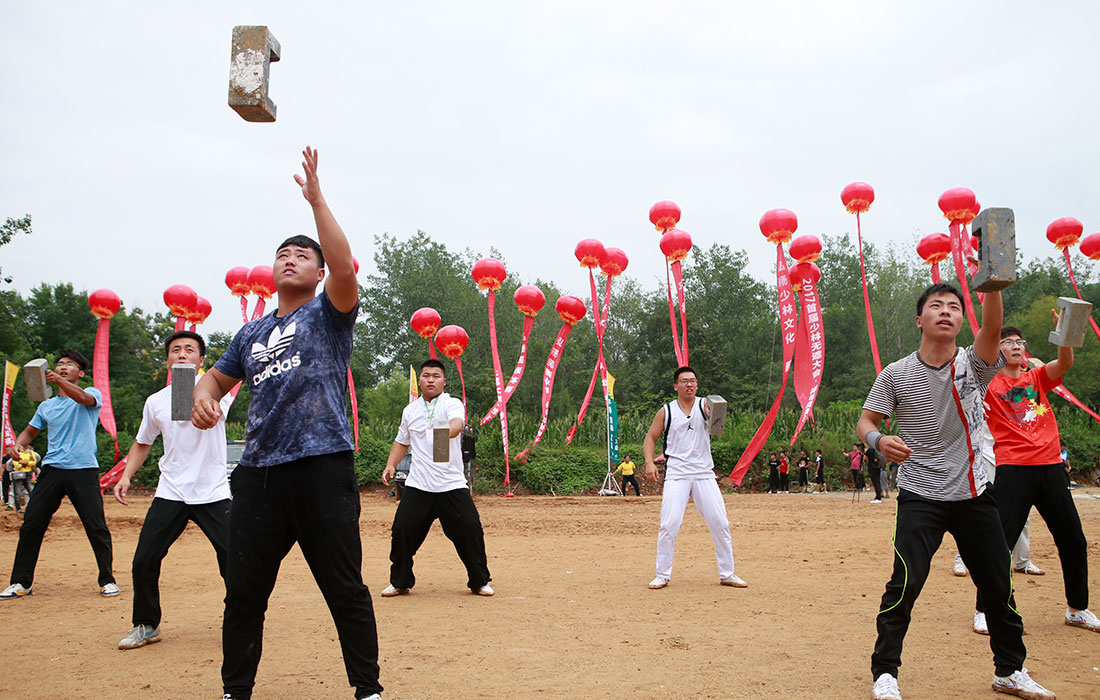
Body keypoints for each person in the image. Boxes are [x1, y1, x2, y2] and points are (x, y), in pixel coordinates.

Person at [190, 147, 382, 700]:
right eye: (283, 254)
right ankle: (235, 690)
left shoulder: (328, 313)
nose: (290, 259)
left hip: (322, 469)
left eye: (302, 254)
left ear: (319, 273)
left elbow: (344, 267)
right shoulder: (249, 334)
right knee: (243, 594)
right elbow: (213, 380)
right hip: (258, 477)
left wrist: (317, 200)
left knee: (345, 589)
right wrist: (201, 397)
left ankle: (368, 689)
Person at [857, 283, 1055, 700]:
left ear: (963, 320)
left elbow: (994, 327)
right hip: (920, 494)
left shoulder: (973, 365)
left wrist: (992, 283)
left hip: (973, 493)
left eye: (954, 307)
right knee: (905, 583)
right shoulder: (895, 373)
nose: (946, 311)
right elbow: (867, 421)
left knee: (998, 585)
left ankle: (1010, 671)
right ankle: (885, 673)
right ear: (920, 320)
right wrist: (879, 440)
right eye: (936, 306)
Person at [971, 326, 1098, 634]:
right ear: (996, 349)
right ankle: (985, 609)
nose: (1016, 346)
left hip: (1051, 468)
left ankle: (1077, 609)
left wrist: (1066, 331)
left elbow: (1064, 363)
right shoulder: (988, 383)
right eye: (1008, 342)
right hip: (1014, 468)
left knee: (1073, 539)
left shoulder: (1036, 378)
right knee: (1000, 543)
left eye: (1019, 342)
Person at [112, 331, 233, 651]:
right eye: (175, 350)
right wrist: (126, 477)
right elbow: (142, 443)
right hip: (171, 490)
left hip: (212, 491)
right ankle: (146, 625)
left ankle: (240, 621)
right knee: (144, 559)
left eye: (189, 350)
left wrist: (200, 397)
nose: (181, 354)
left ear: (201, 360)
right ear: (167, 359)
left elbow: (220, 401)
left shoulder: (218, 393)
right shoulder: (155, 402)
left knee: (234, 559)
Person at [1, 350, 118, 600]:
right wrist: (17, 445)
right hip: (52, 469)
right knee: (32, 524)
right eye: (60, 364)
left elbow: (83, 398)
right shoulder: (47, 406)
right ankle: (21, 582)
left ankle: (107, 580)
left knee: (96, 526)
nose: (63, 367)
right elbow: (30, 432)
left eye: (70, 365)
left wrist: (59, 382)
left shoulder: (92, 393)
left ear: (81, 373)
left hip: (83, 469)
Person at [380, 359, 492, 598]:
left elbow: (457, 423)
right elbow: (402, 441)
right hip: (419, 485)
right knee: (402, 530)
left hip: (450, 484)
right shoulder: (410, 411)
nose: (431, 380)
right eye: (426, 375)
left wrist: (443, 433)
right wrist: (391, 464)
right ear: (420, 380)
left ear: (443, 381)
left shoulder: (452, 403)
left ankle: (479, 581)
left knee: (470, 530)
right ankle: (400, 582)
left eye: (436, 376)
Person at [643, 366, 745, 589]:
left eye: (693, 381)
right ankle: (662, 574)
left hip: (703, 473)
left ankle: (727, 573)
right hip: (677, 473)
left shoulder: (704, 405)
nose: (689, 384)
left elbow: (717, 423)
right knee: (669, 524)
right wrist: (649, 462)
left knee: (720, 522)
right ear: (675, 386)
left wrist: (714, 412)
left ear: (697, 385)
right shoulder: (667, 411)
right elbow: (650, 437)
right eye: (684, 381)